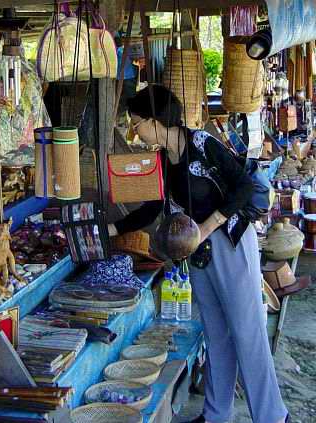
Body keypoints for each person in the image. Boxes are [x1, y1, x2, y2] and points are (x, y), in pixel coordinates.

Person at [109, 84, 289, 423]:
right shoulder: (162, 160)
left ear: (155, 120)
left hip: (230, 244)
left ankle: (272, 416)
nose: (136, 131)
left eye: (137, 123)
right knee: (215, 333)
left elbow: (244, 187)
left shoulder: (202, 144)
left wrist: (207, 227)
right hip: (198, 253)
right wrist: (110, 231)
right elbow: (150, 209)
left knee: (247, 333)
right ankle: (216, 414)